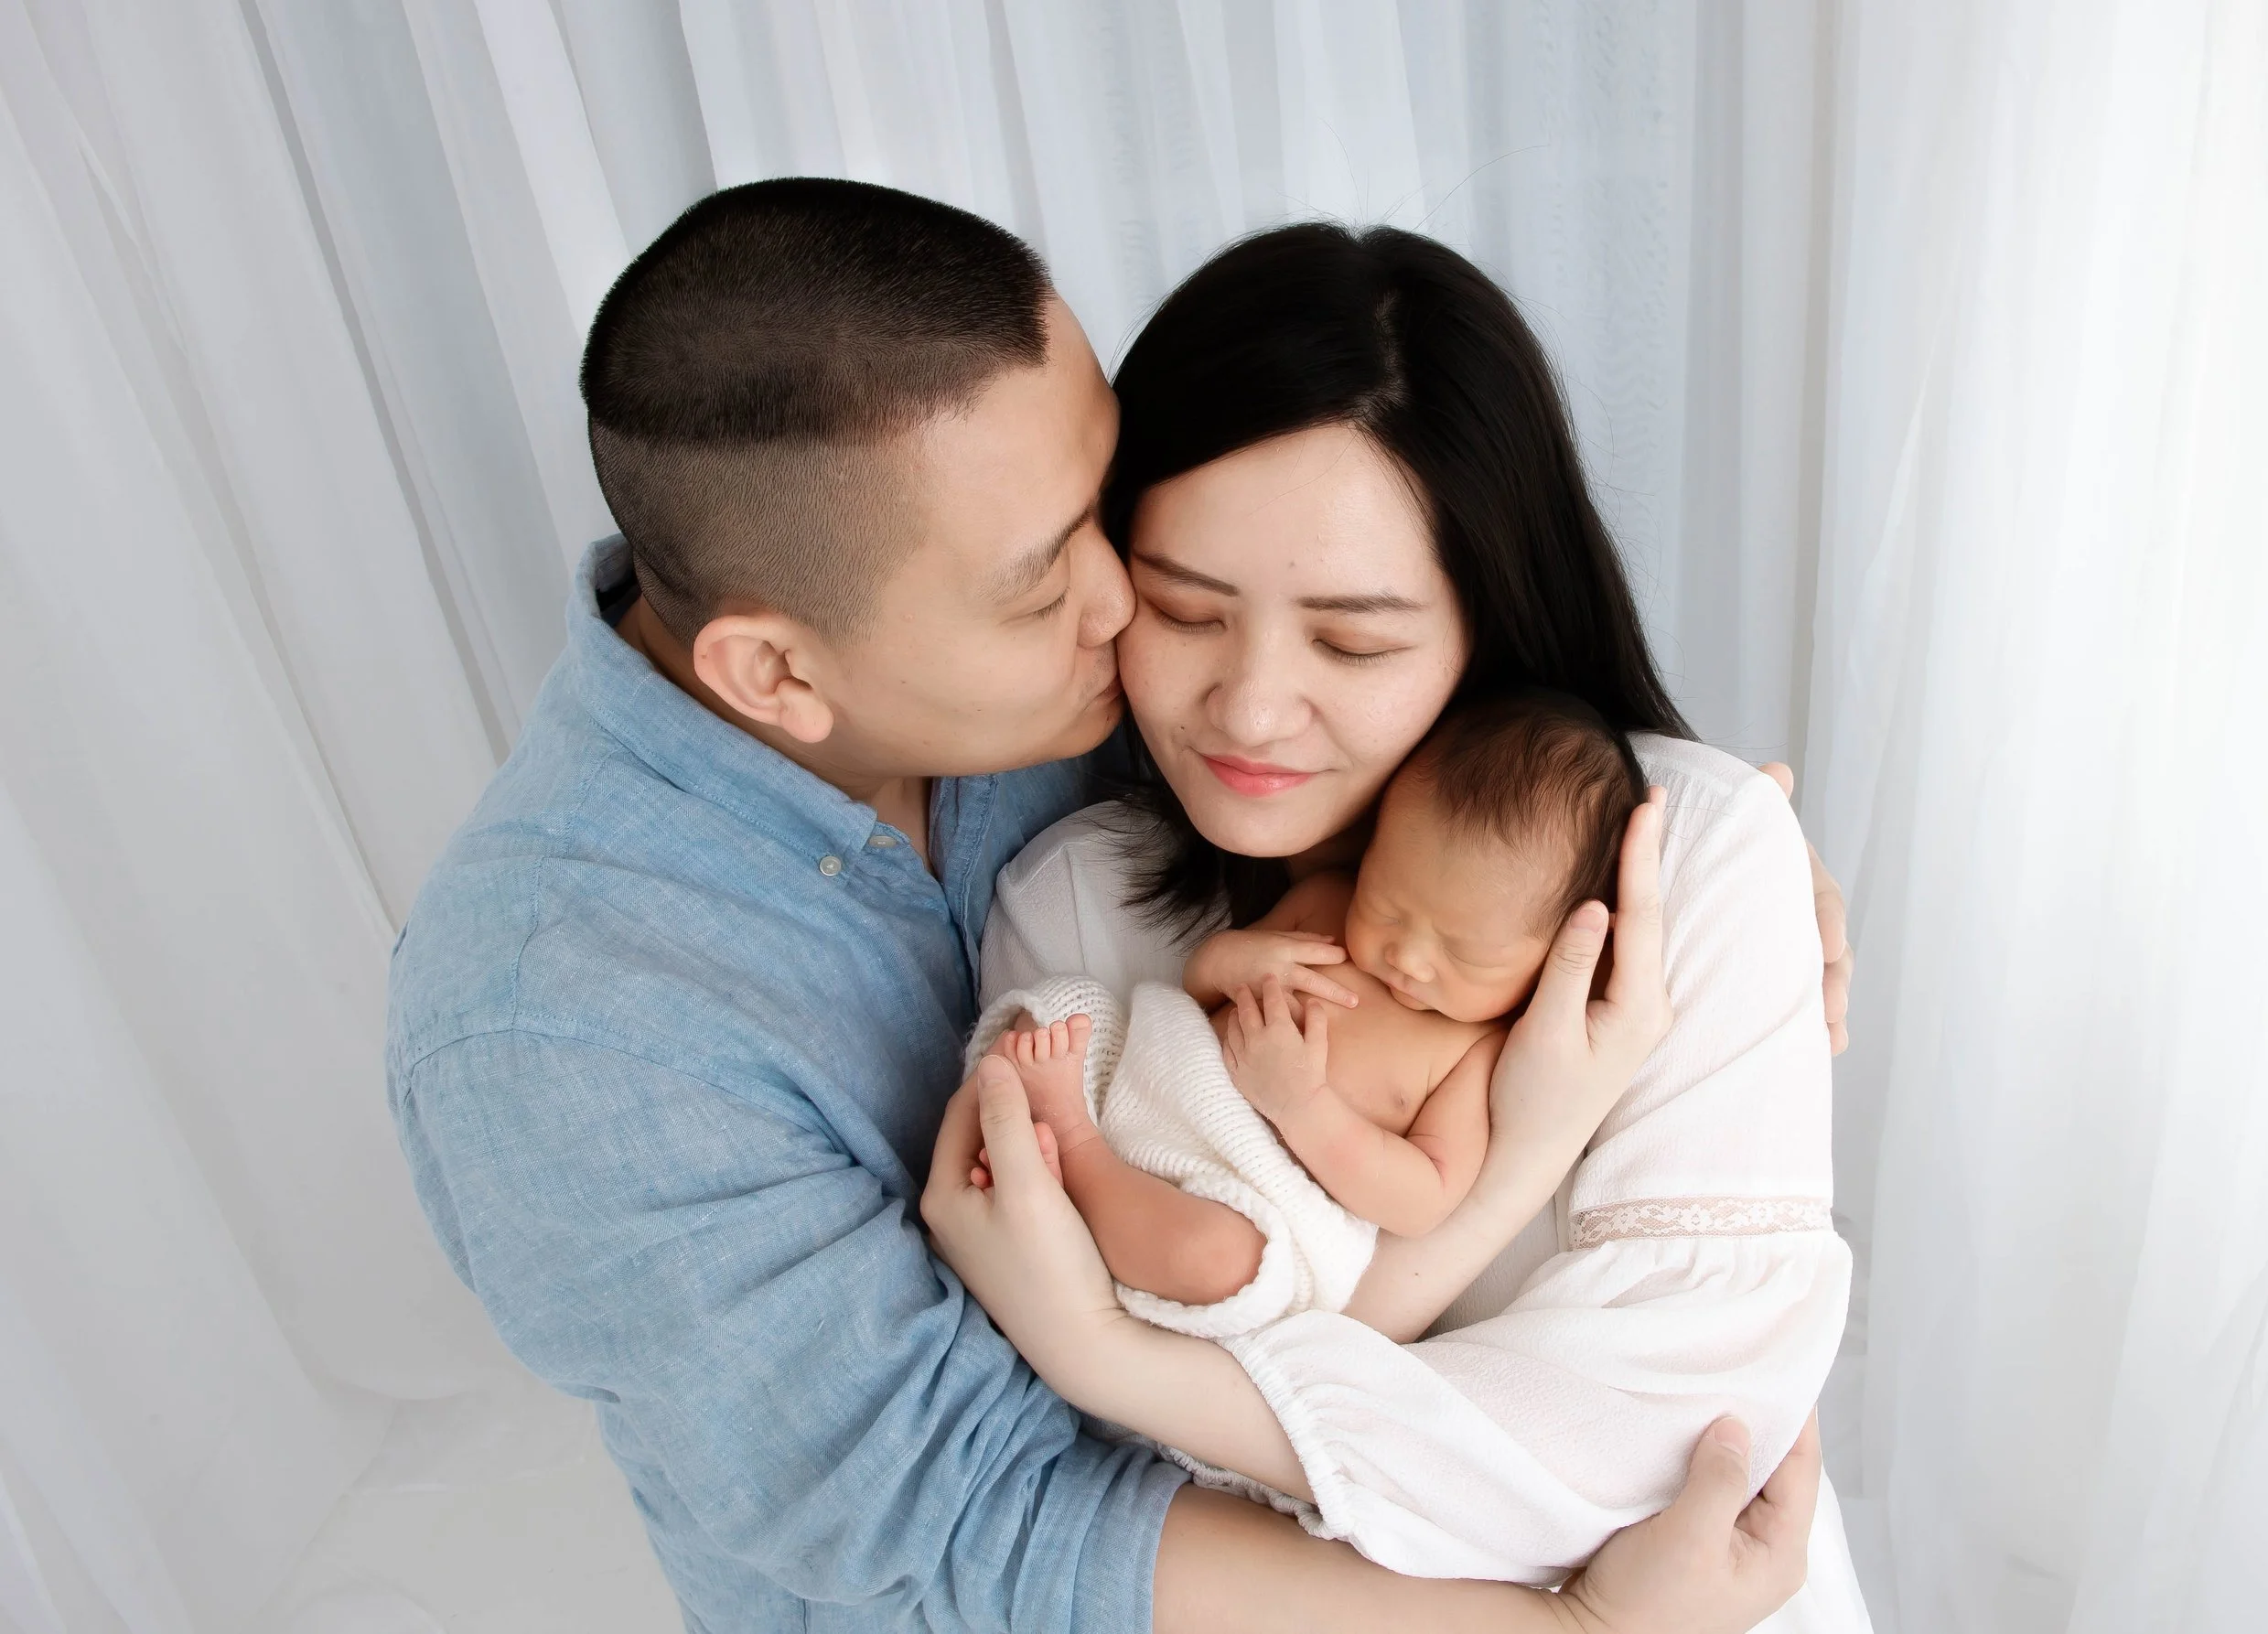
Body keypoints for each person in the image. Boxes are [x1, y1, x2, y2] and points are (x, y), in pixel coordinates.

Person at [386, 177, 1839, 1631]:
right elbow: (983, 1520)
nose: (1127, 612)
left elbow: (1395, 625)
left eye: (1106, 514)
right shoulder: (558, 1030)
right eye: (1062, 588)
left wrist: (1721, 853)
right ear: (777, 676)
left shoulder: (1064, 676)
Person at [926, 222, 1874, 1619]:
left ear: (1488, 621)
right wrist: (1525, 1152)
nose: (1248, 709)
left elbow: (1661, 1456)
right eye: (1185, 612)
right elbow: (1137, 1487)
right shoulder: (1074, 901)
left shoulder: (1690, 860)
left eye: (1354, 641)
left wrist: (1115, 1356)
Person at [970, 691, 1650, 1314]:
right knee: (1059, 1011)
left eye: (1465, 953)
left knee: (1216, 1259)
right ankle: (1040, 1155)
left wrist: (1303, 1107)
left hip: (1237, 1193)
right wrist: (1231, 961)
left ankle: (1075, 1156)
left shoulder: (1475, 1051)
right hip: (1147, 1081)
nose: (1407, 957)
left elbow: (1423, 1197)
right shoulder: (1327, 904)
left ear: (1553, 957)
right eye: (1388, 904)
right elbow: (1197, 991)